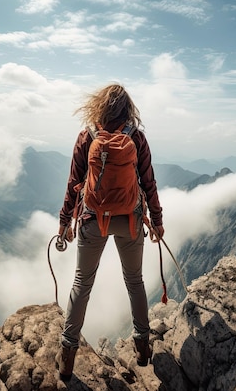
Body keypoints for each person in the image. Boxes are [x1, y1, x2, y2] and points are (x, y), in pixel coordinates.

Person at [56, 83, 164, 381]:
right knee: (135, 281)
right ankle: (142, 347)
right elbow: (148, 182)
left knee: (82, 283)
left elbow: (72, 183)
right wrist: (157, 219)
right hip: (130, 219)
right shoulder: (136, 138)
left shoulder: (87, 136)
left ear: (99, 106)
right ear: (128, 110)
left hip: (92, 220)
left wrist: (64, 222)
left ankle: (67, 355)